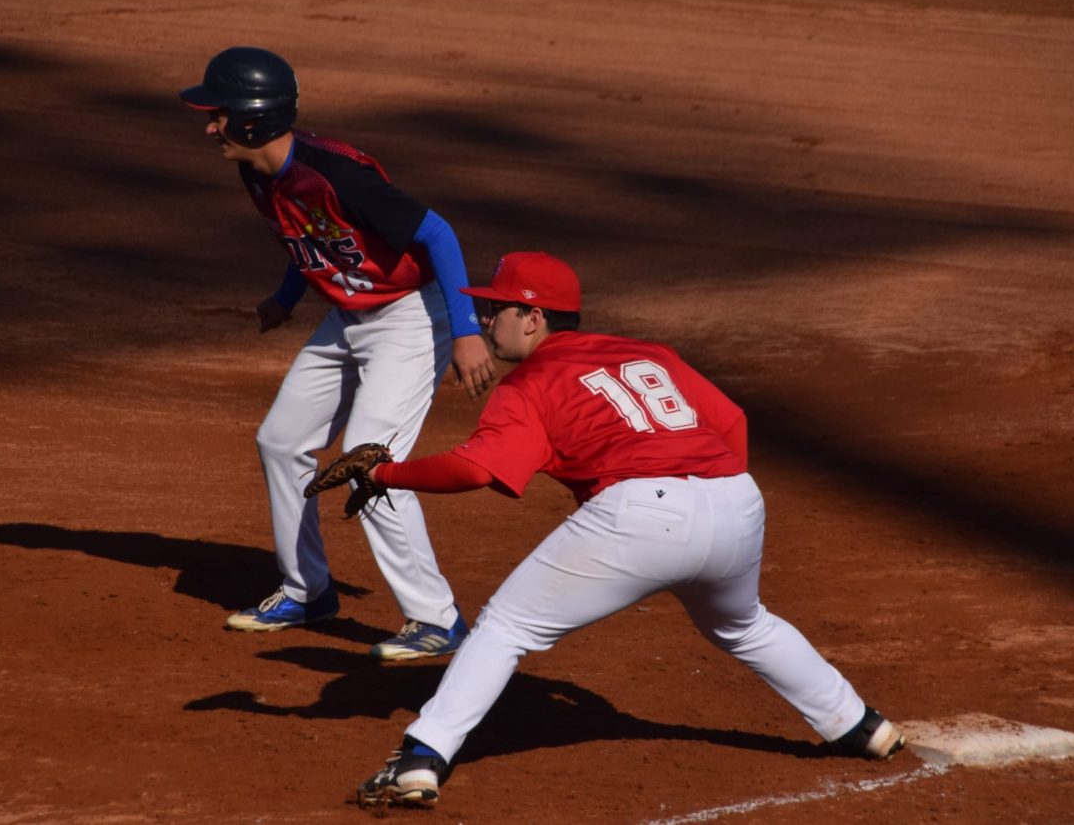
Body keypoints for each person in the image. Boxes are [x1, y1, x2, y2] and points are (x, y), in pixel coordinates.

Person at [346, 250, 905, 807]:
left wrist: (384, 474)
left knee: (506, 627)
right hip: (736, 499)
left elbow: (477, 468)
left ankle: (420, 759)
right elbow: (731, 422)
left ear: (534, 318)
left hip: (640, 512)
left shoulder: (530, 382)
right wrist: (702, 503)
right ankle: (862, 725)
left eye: (497, 309)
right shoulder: (647, 352)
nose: (486, 320)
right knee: (743, 624)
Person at [178, 47, 495, 660]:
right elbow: (306, 236)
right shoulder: (257, 170)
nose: (211, 127)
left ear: (254, 120)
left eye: (219, 115)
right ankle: (308, 591)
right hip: (346, 316)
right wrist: (286, 296)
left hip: (410, 317)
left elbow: (438, 233)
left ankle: (437, 619)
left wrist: (465, 332)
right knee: (280, 440)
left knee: (369, 458)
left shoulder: (337, 173)